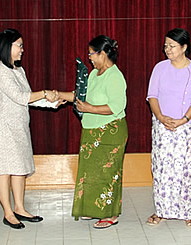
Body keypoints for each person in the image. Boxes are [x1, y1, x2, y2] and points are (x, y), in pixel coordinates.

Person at [56, 35, 128, 229]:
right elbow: (80, 96)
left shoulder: (115, 76)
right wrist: (58, 95)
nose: (89, 58)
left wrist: (89, 109)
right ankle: (94, 208)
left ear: (103, 53)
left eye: (92, 54)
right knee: (91, 173)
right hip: (91, 130)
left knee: (108, 173)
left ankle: (110, 214)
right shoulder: (94, 75)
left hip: (109, 132)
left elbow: (116, 106)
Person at [0, 28, 58, 229]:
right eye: (19, 45)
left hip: (19, 126)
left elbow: (29, 99)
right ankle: (8, 213)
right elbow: (20, 97)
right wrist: (46, 93)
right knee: (4, 170)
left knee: (19, 168)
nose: (22, 49)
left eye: (22, 45)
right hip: (3, 126)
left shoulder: (19, 70)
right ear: (6, 46)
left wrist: (53, 102)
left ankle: (19, 207)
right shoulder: (0, 70)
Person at [146, 28, 191, 228]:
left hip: (187, 127)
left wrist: (182, 120)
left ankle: (189, 212)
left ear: (184, 47)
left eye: (172, 46)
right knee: (162, 169)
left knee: (186, 169)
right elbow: (152, 96)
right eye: (165, 46)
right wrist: (161, 117)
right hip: (162, 126)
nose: (167, 50)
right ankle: (162, 211)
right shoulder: (160, 68)